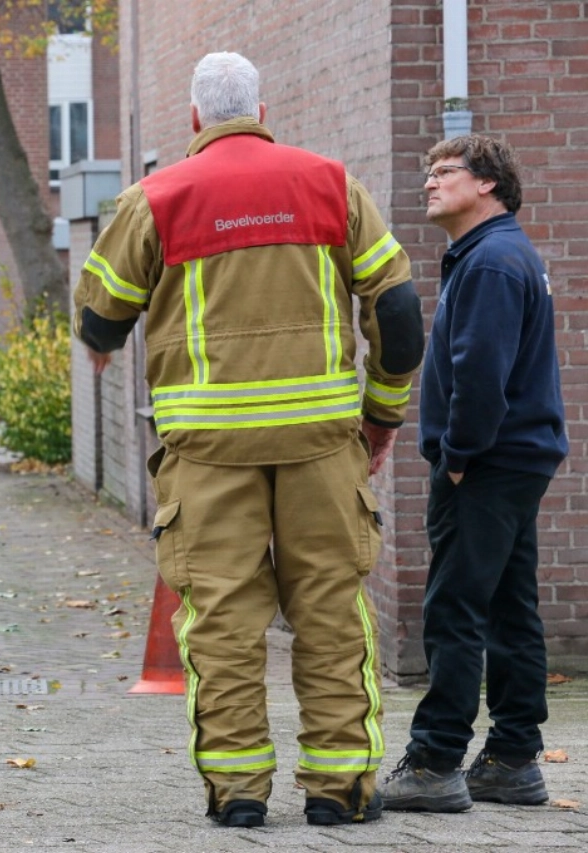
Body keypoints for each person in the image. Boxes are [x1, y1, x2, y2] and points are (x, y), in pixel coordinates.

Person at [73, 52, 424, 828]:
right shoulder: (332, 185)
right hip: (323, 445)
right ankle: (340, 789)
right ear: (261, 110)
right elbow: (399, 315)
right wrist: (382, 416)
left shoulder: (154, 200)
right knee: (332, 612)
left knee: (224, 624)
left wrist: (107, 338)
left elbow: (99, 319)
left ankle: (238, 792)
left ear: (196, 119)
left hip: (206, 453)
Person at [378, 136, 568, 812]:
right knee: (510, 606)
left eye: (445, 172)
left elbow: (480, 374)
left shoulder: (489, 263)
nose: (430, 182)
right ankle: (514, 758)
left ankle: (434, 762)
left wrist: (458, 455)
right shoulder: (501, 253)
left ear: (487, 183)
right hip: (519, 458)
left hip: (485, 463)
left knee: (455, 606)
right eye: (428, 172)